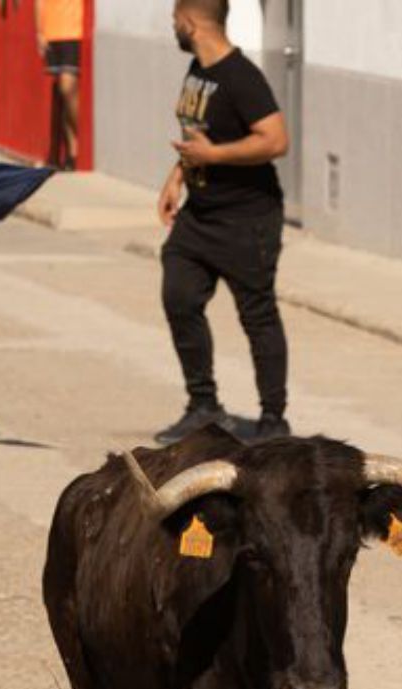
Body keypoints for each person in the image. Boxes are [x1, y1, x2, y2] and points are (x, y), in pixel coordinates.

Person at [155, 0, 291, 445]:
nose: (173, 25)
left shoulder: (240, 77)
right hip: (201, 214)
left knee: (257, 315)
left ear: (190, 22)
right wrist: (177, 176)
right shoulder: (199, 69)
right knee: (179, 295)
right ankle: (203, 405)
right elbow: (196, 135)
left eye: (175, 18)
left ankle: (273, 421)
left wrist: (213, 156)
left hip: (247, 218)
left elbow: (275, 140)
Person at [35, 0, 83, 170]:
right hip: (52, 32)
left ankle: (81, 143)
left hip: (74, 31)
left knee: (67, 87)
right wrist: (40, 31)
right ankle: (72, 152)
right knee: (62, 95)